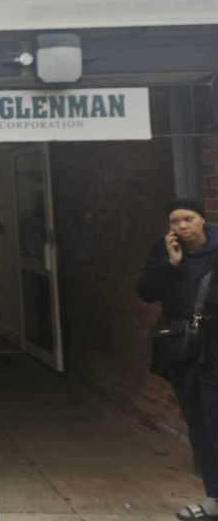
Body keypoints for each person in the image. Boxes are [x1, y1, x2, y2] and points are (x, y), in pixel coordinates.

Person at [138, 199, 218, 520]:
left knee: (215, 423)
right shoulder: (163, 252)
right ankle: (214, 498)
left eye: (188, 218)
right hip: (182, 350)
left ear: (203, 220)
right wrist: (170, 265)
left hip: (214, 350)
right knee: (198, 423)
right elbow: (145, 291)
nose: (181, 226)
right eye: (175, 221)